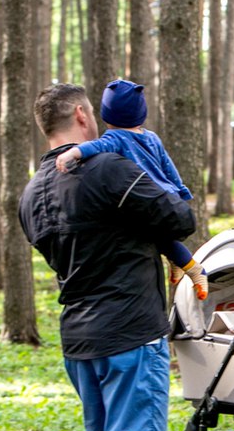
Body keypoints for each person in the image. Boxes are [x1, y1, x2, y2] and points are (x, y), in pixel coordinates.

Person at [19, 83, 196, 431]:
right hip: (129, 332)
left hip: (78, 334)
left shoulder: (34, 190)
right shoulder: (109, 168)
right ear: (80, 114)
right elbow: (179, 218)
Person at [54, 79, 208, 301]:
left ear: (107, 113)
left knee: (157, 237)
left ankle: (194, 270)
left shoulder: (114, 138)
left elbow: (94, 147)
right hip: (165, 193)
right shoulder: (151, 137)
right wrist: (180, 189)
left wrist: (73, 153)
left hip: (145, 196)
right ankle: (176, 263)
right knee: (163, 239)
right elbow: (168, 166)